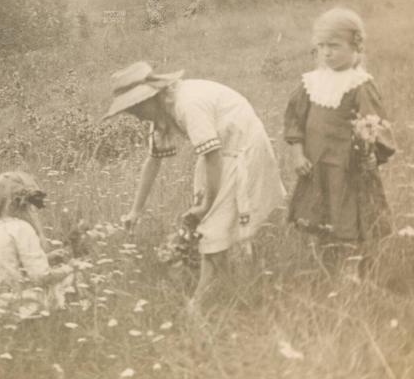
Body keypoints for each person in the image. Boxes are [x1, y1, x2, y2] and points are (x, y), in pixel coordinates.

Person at [105, 62, 285, 314]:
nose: (135, 114)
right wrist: (135, 211)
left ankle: (200, 304)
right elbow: (153, 160)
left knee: (212, 225)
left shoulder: (188, 104)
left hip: (241, 149)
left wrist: (205, 205)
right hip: (219, 153)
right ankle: (232, 279)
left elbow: (213, 156)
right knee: (210, 225)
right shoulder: (162, 113)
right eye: (129, 109)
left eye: (136, 106)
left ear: (153, 94)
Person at [285, 8, 395, 278]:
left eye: (334, 46)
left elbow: (375, 124)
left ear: (355, 46)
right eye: (321, 46)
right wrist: (298, 154)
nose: (326, 52)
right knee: (320, 213)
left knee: (348, 216)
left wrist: (373, 155)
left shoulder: (359, 84)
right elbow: (295, 122)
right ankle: (326, 264)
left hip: (347, 169)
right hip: (316, 165)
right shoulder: (310, 82)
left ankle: (351, 269)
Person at [0, 172, 76, 319]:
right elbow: (40, 276)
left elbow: (6, 265)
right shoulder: (22, 228)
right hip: (12, 305)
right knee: (72, 276)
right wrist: (70, 268)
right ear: (27, 204)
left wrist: (47, 258)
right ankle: (66, 316)